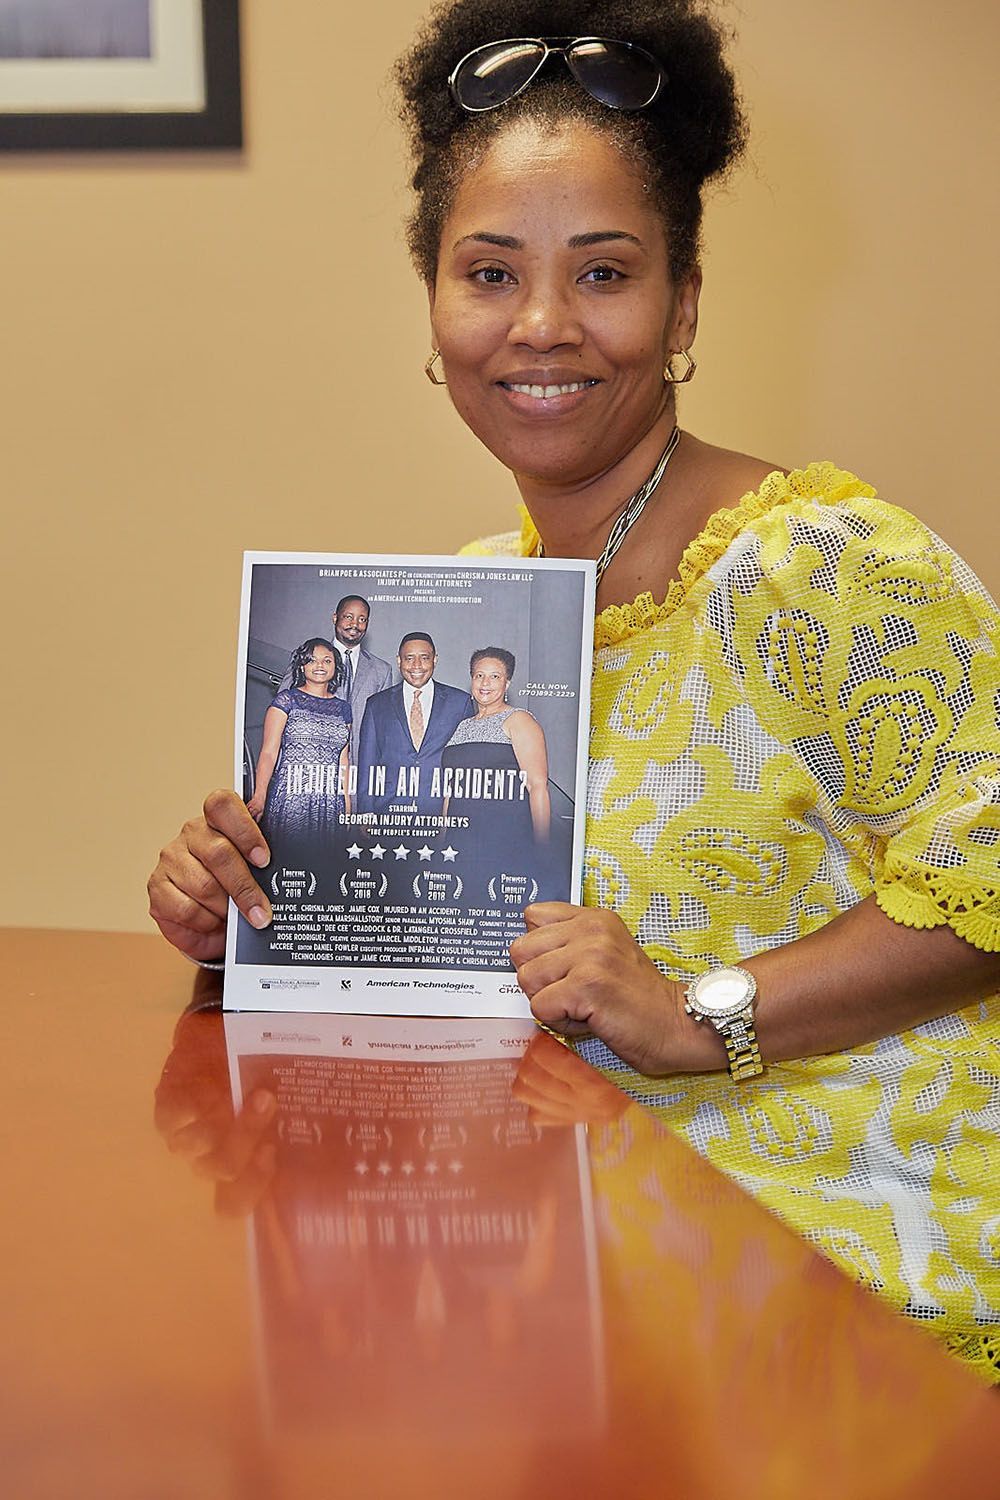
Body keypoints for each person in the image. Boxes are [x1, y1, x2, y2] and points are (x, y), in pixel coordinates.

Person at [148, 0, 999, 1379]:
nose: (542, 326)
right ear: (431, 301)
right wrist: (258, 906)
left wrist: (699, 1010)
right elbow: (453, 956)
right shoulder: (485, 600)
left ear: (686, 303)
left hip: (856, 1314)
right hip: (571, 1304)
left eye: (604, 274)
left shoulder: (815, 562)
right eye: (490, 274)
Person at [247, 638, 352, 859]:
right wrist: (259, 796)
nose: (320, 666)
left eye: (327, 661)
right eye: (312, 660)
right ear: (302, 666)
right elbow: (268, 752)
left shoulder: (344, 709)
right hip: (292, 797)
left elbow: (344, 760)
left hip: (330, 801)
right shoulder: (286, 701)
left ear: (336, 667)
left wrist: (348, 809)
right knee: (289, 867)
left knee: (326, 868)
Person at [357, 632, 473, 815]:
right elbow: (368, 761)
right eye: (409, 658)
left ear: (435, 660)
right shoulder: (377, 704)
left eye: (424, 658)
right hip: (388, 812)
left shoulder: (460, 702)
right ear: (398, 661)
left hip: (441, 814)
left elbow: (468, 765)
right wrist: (365, 811)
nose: (416, 665)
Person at [441, 645, 550, 840]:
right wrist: (442, 840)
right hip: (459, 841)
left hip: (505, 837)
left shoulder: (519, 720)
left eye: (495, 677)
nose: (485, 683)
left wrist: (543, 848)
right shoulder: (462, 726)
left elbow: (537, 786)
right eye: (479, 675)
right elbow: (451, 791)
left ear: (507, 683)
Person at [279, 594, 392, 768]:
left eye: (362, 619)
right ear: (335, 618)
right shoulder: (306, 659)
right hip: (310, 763)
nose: (355, 624)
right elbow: (282, 712)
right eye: (348, 617)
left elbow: (384, 729)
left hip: (359, 770)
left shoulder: (382, 671)